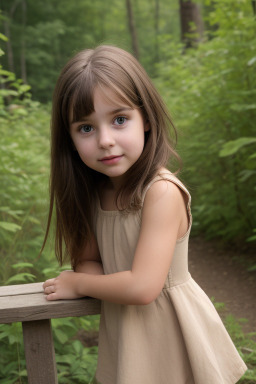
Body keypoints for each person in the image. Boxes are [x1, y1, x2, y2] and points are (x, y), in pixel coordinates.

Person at [42, 45, 247, 384]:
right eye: (86, 128)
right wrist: (87, 275)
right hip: (128, 335)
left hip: (172, 333)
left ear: (147, 119)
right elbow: (88, 260)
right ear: (70, 139)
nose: (106, 140)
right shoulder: (94, 193)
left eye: (119, 119)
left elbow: (142, 287)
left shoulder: (161, 192)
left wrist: (79, 283)